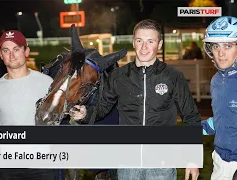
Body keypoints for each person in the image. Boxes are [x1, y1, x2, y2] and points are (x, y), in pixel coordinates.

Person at [69, 19, 201, 180]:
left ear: (159, 44)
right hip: (128, 164)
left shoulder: (173, 77)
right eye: (139, 41)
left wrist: (193, 159)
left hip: (161, 164)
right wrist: (85, 113)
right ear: (133, 42)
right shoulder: (118, 76)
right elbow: (102, 108)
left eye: (150, 41)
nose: (144, 47)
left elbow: (191, 117)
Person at [0, 30, 56, 180]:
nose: (11, 54)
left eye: (16, 49)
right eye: (6, 50)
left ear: (26, 51)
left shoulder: (46, 82)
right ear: (1, 55)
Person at [201, 16, 237, 180]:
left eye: (228, 46)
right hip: (220, 160)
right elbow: (224, 119)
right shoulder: (216, 80)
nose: (221, 53)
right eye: (216, 46)